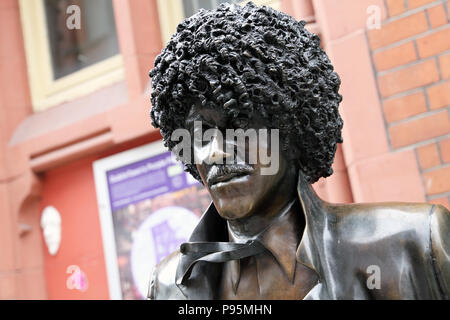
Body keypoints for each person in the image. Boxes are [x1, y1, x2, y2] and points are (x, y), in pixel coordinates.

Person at [147, 2, 449, 300]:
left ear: (291, 128)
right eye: (200, 134)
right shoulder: (168, 287)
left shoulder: (412, 245)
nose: (215, 153)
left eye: (239, 125)